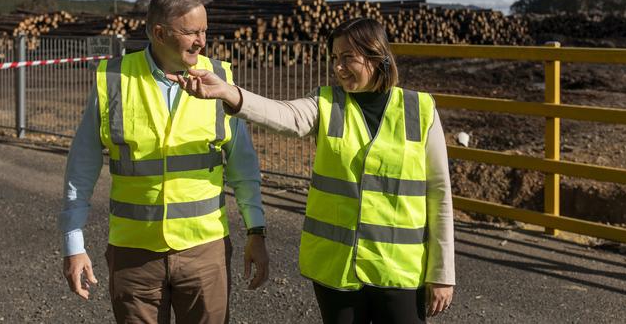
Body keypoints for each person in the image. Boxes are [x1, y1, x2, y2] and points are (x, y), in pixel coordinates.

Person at [168, 17, 455, 323]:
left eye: (348, 58)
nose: (338, 67)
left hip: (399, 271)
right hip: (337, 271)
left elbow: (440, 195)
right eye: (335, 58)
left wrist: (442, 272)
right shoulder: (327, 104)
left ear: (376, 55)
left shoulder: (420, 111)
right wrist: (229, 93)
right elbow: (284, 115)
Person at [58, 0, 269, 324]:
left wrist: (256, 231)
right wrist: (73, 242)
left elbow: (243, 166)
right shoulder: (113, 79)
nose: (202, 41)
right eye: (192, 32)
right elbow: (80, 170)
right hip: (133, 255)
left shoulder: (220, 79)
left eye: (204, 30)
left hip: (205, 251)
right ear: (159, 32)